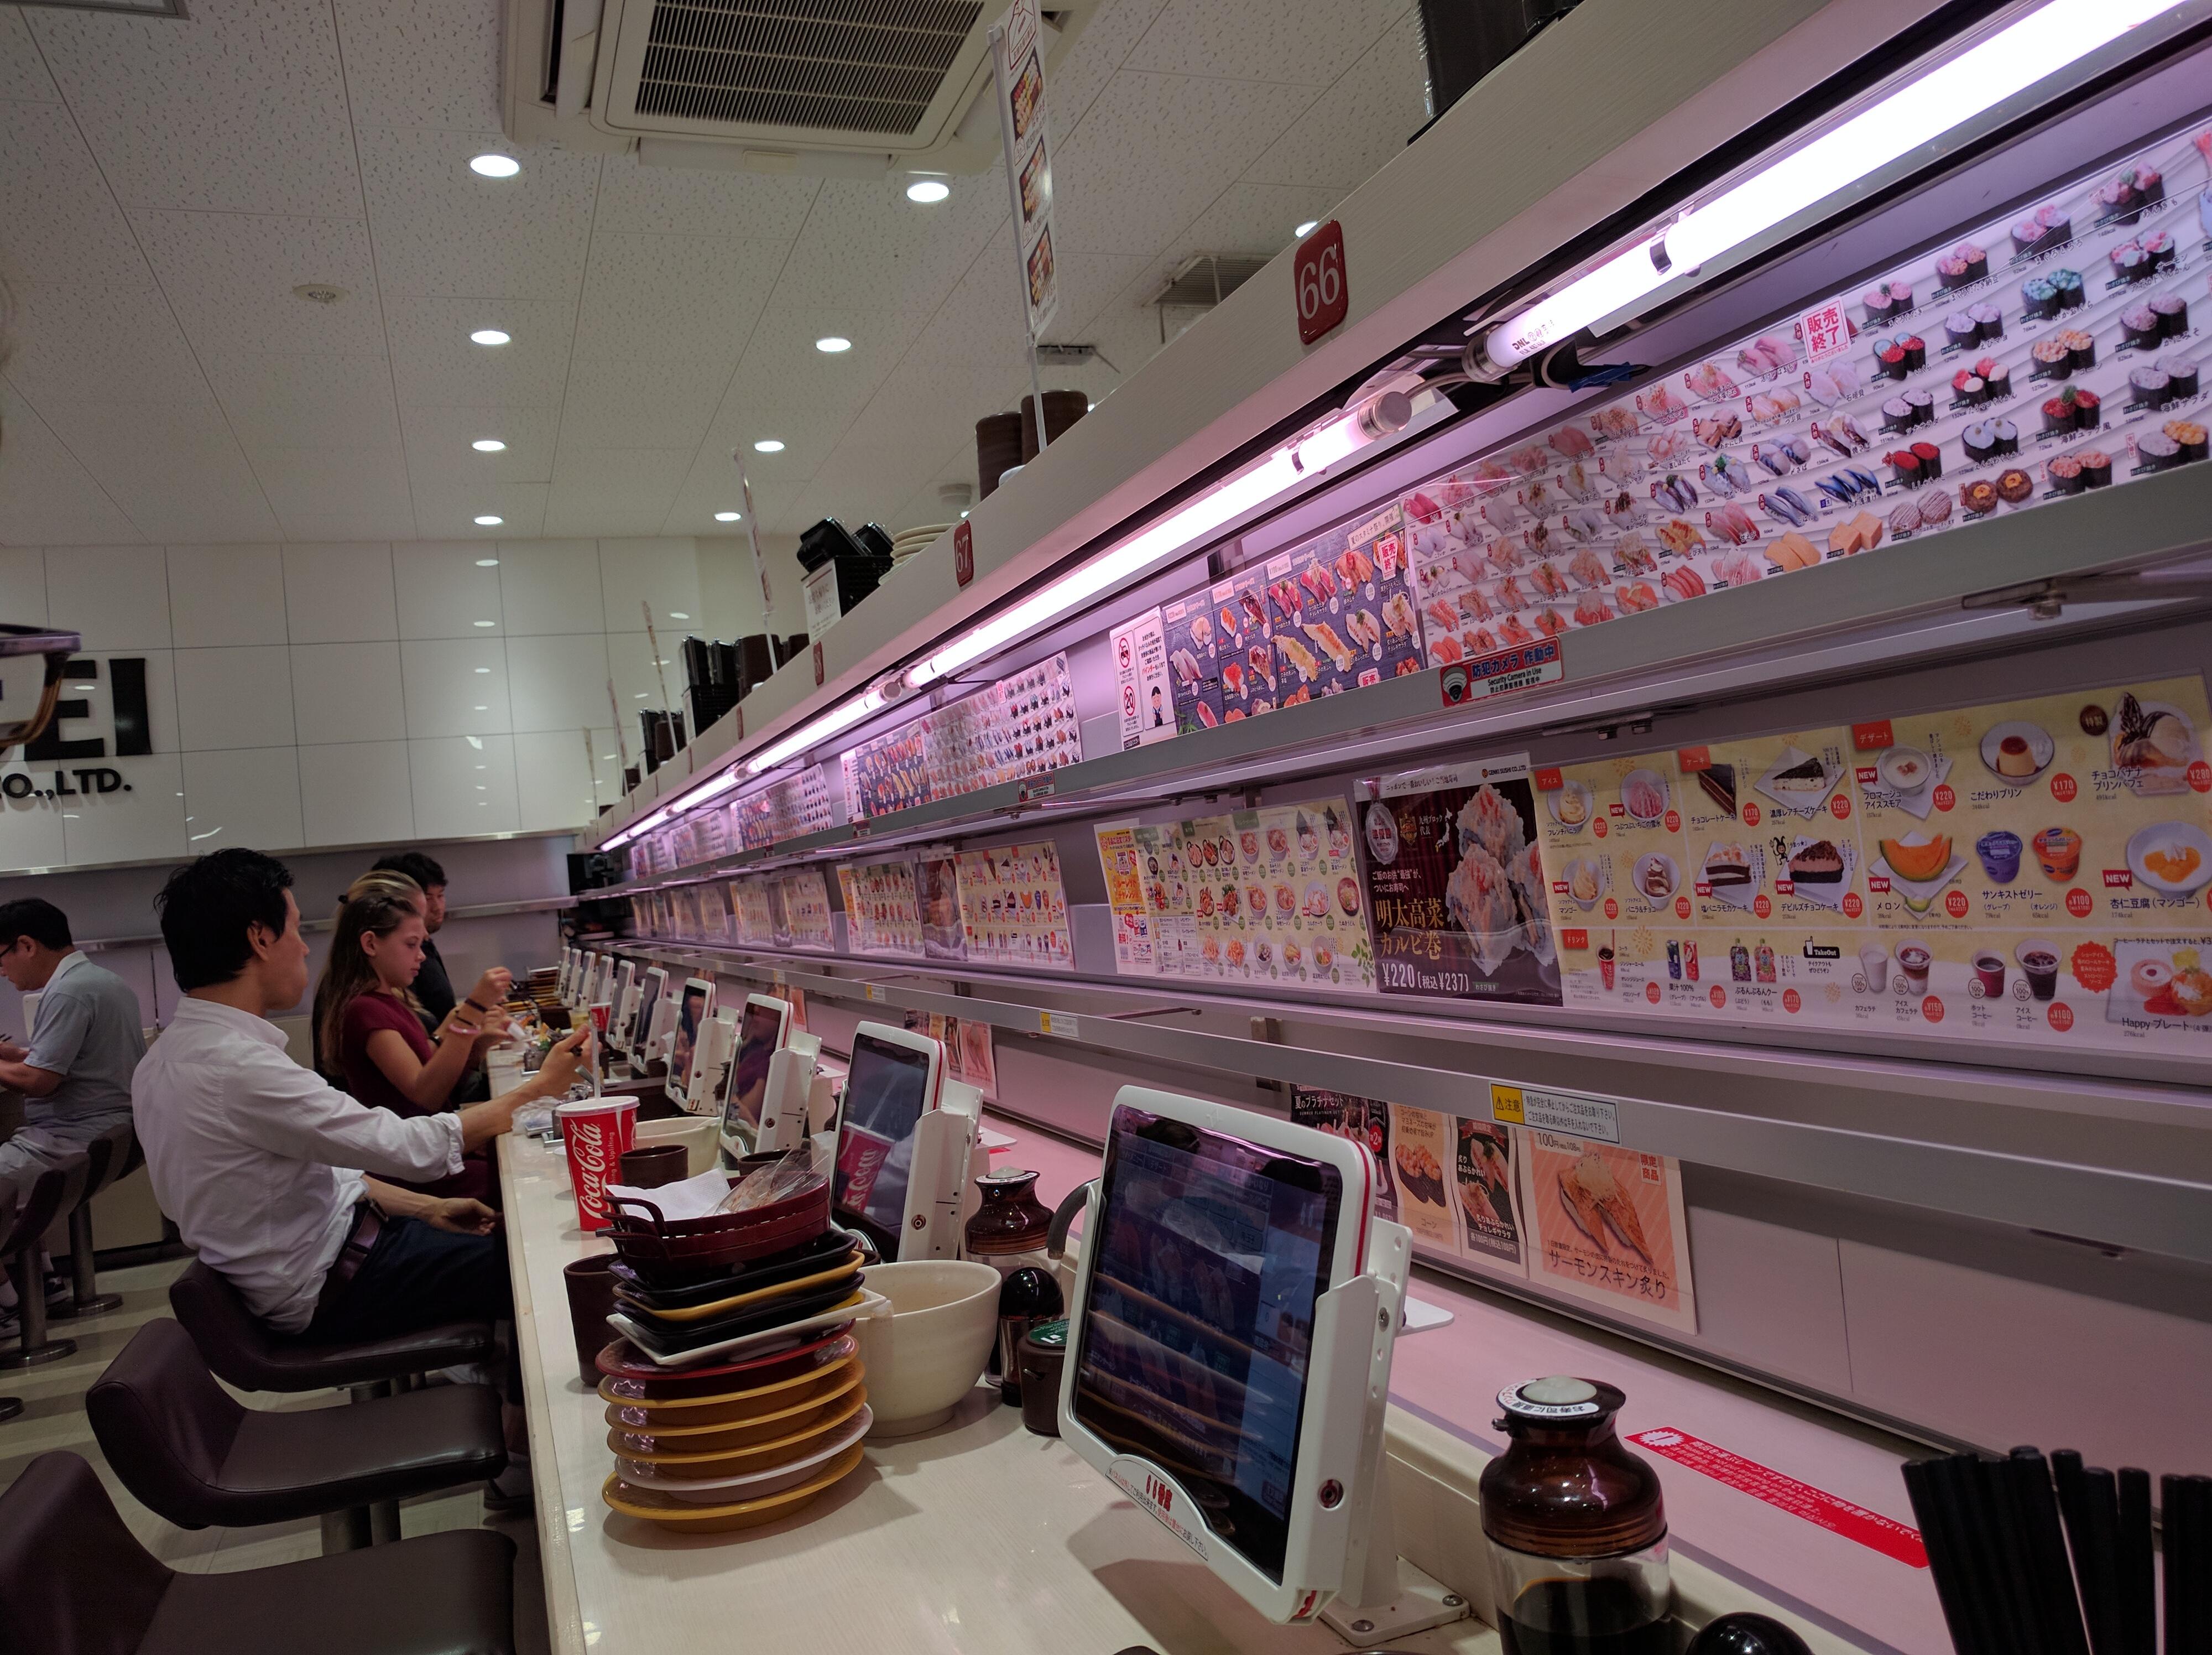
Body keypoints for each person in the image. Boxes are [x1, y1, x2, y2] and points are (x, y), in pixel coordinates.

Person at [133, 848, 584, 1501]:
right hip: (332, 1287)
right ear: (259, 938)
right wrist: (535, 1092)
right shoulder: (235, 1066)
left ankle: (516, 1434)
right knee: (532, 1264)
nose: (304, 950)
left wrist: (424, 1209)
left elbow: (328, 1175)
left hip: (337, 1259)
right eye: (293, 928)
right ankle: (522, 1464)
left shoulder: (175, 1059)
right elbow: (401, 1143)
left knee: (508, 1241)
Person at [313, 875, 512, 1205]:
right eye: (411, 945)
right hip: (413, 1171)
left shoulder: (391, 1000)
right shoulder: (364, 1011)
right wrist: (473, 1010)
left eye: (422, 945)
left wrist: (475, 1048)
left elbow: (435, 1077)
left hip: (427, 1156)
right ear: (371, 944)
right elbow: (425, 1096)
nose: (421, 956)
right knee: (512, 1181)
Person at [0, 898, 145, 1333]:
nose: (3, 973)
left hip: (70, 1141)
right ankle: (43, 1284)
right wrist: (13, 1055)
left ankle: (6, 1307)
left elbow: (43, 1080)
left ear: (26, 945)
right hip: (107, 1135)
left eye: (1, 958)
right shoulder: (101, 981)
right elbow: (70, 1062)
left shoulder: (67, 992)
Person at [368, 851, 455, 1028]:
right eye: (428, 898)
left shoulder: (426, 948)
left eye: (441, 896)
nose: (438, 908)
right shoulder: (373, 992)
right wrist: (472, 1011)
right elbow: (422, 1047)